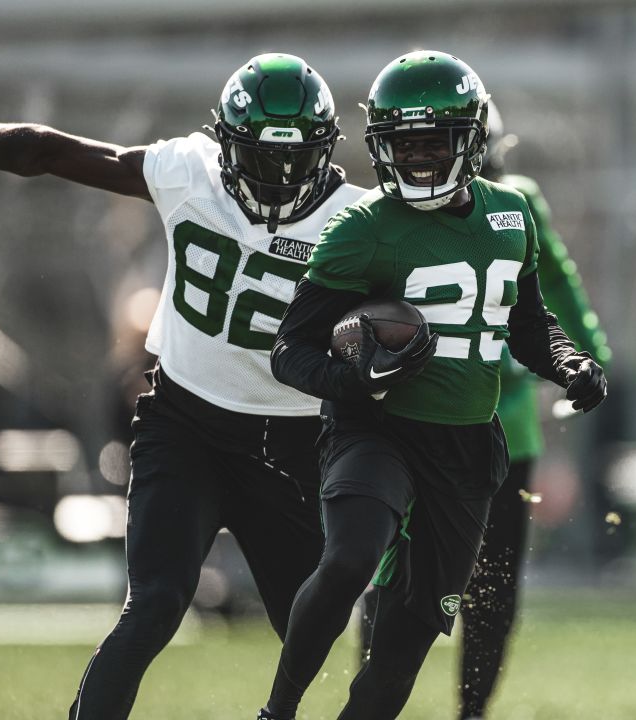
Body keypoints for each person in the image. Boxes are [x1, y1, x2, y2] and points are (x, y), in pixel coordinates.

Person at [0, 53, 367, 720]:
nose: (280, 177)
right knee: (153, 605)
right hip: (187, 428)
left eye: (294, 159)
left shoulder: (359, 220)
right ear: (226, 147)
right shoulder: (188, 171)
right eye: (262, 158)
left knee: (314, 620)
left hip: (288, 442)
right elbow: (55, 152)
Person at [258, 51, 609, 720]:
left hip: (467, 450)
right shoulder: (361, 228)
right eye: (404, 143)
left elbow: (530, 323)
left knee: (406, 643)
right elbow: (289, 350)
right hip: (377, 431)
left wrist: (569, 362)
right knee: (352, 559)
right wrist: (351, 379)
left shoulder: (510, 216)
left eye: (434, 142)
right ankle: (277, 711)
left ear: (472, 142)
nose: (418, 159)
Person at [357, 102, 613, 720]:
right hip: (416, 422)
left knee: (491, 589)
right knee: (395, 573)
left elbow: (554, 279)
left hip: (503, 424)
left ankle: (472, 712)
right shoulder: (384, 213)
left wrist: (581, 357)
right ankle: (370, 701)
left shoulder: (514, 205)